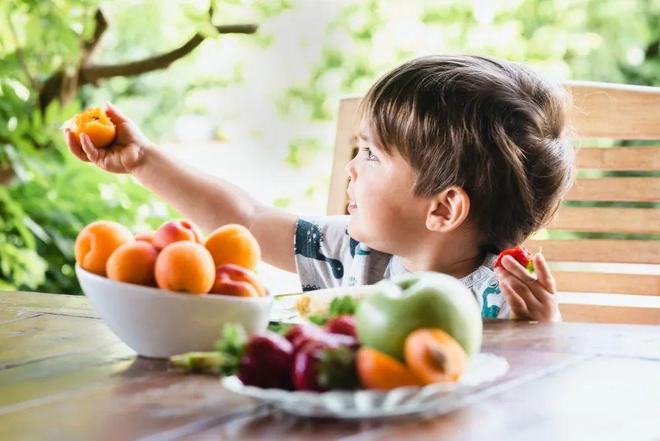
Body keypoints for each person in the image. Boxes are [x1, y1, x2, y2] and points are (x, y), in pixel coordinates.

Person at [63, 55, 574, 322]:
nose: (352, 168)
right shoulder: (355, 254)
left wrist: (542, 334)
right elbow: (247, 221)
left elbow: (530, 397)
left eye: (371, 155)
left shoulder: (497, 302)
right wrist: (143, 160)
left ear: (444, 208)